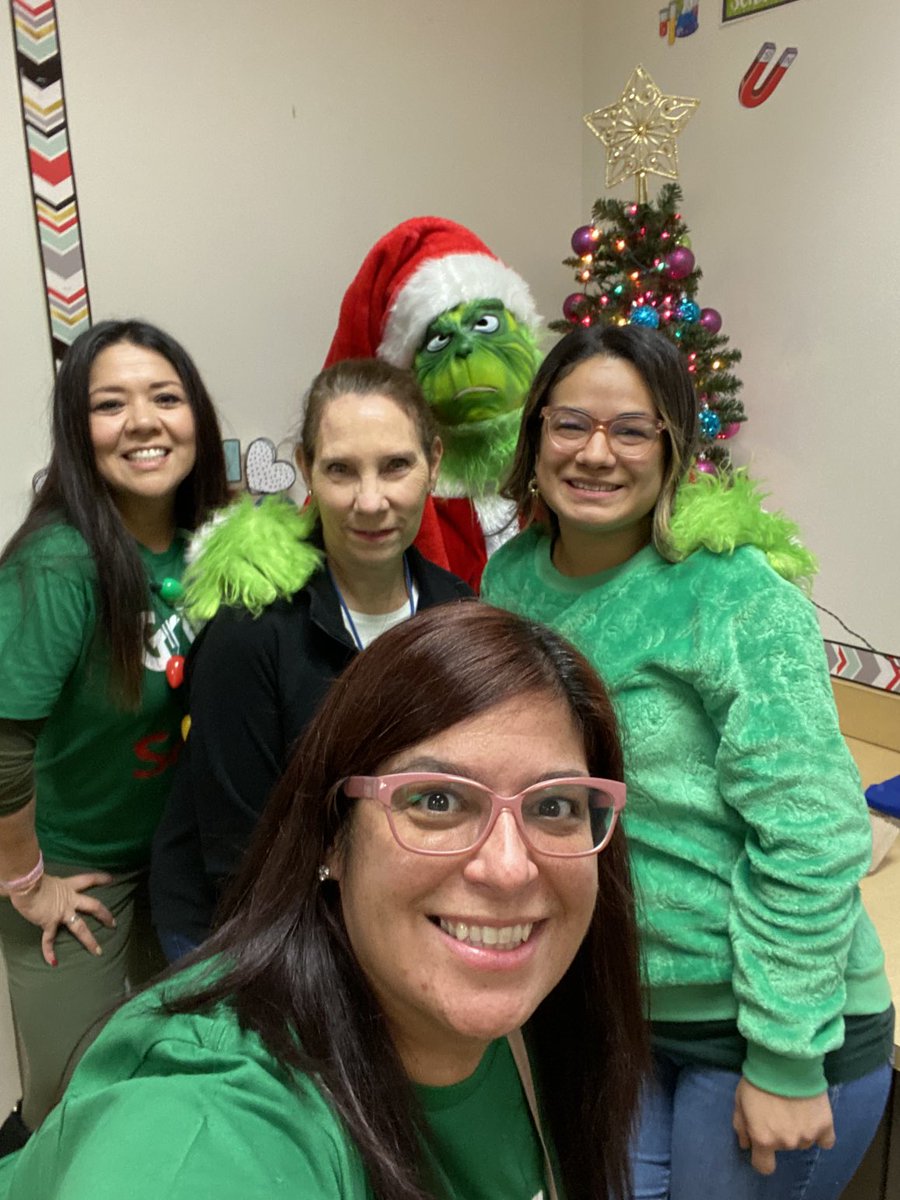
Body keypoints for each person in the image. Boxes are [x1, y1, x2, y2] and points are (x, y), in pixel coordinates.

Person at [0, 603, 648, 1200]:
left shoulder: (548, 1022)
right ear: (332, 837)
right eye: (437, 800)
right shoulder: (207, 1116)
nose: (509, 869)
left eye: (556, 805)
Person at [481, 324, 893, 1200]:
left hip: (768, 1021)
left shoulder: (734, 592)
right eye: (570, 425)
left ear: (673, 449)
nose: (597, 453)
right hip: (616, 1016)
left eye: (632, 430)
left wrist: (785, 1054)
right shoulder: (509, 581)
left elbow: (816, 831)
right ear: (535, 437)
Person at [150, 358, 472, 960]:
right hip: (244, 914)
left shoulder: (456, 616)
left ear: (433, 461)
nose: (370, 501)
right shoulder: (249, 630)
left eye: (396, 466)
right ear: (305, 469)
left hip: (383, 906)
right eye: (341, 470)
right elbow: (238, 852)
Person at [0, 319, 229, 1129]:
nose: (142, 421)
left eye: (165, 397)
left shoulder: (214, 543)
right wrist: (27, 883)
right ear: (76, 430)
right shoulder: (62, 562)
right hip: (72, 869)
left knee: (177, 1068)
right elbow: (2, 745)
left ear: (197, 415)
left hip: (169, 853)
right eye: (109, 404)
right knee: (67, 1103)